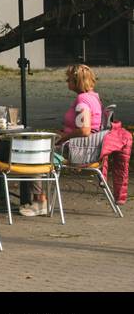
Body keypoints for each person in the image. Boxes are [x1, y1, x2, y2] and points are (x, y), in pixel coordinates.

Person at [49, 63, 132, 209]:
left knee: (36, 155)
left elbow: (85, 130)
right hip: (89, 146)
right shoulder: (94, 97)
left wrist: (64, 138)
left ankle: (39, 200)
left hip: (80, 150)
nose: (66, 82)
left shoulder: (83, 101)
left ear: (77, 82)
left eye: (69, 80)